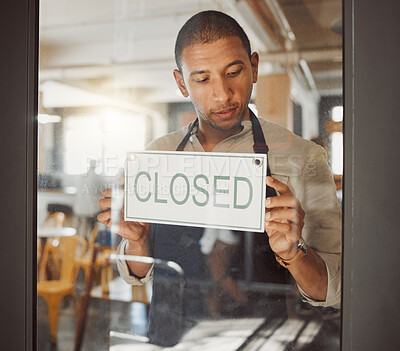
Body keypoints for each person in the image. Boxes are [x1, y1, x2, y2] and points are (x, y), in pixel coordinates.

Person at [98, 10, 341, 346]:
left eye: (234, 72)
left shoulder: (303, 158)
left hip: (258, 340)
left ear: (253, 67)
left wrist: (293, 251)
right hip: (173, 338)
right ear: (182, 83)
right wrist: (137, 242)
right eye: (202, 79)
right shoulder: (157, 156)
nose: (223, 94)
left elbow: (332, 290)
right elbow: (139, 274)